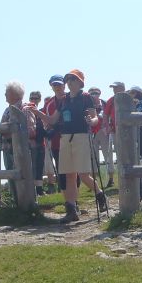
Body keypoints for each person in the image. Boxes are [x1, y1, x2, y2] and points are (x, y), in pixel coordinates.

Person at [37, 69, 107, 221]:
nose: (69, 83)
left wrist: (91, 121)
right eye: (68, 80)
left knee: (82, 174)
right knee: (69, 175)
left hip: (82, 136)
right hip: (65, 138)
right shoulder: (64, 99)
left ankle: (100, 195)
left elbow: (95, 118)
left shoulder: (86, 97)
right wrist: (37, 113)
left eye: (73, 80)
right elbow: (53, 120)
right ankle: (71, 211)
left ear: (80, 82)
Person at [0, 81, 32, 201]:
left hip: (19, 148)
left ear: (14, 93)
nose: (5, 94)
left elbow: (29, 128)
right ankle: (16, 201)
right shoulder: (8, 109)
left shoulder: (24, 108)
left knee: (22, 174)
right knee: (11, 174)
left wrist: (9, 132)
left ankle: (25, 201)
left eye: (7, 92)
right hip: (8, 147)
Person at [103, 81, 126, 186]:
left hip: (127, 132)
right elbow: (105, 115)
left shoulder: (128, 99)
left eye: (116, 87)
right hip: (114, 131)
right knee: (114, 154)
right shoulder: (110, 101)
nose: (114, 90)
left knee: (126, 154)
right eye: (113, 88)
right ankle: (114, 178)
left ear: (122, 88)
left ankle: (126, 176)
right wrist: (107, 127)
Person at [88, 86, 111, 184]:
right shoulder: (87, 104)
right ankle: (95, 180)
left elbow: (109, 115)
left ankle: (111, 178)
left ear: (99, 94)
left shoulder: (105, 103)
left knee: (108, 154)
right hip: (91, 132)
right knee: (94, 156)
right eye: (92, 93)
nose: (94, 95)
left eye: (96, 93)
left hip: (103, 131)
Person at [26, 90, 47, 195]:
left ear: (39, 100)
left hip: (41, 143)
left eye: (36, 98)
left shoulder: (39, 112)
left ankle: (39, 189)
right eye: (32, 98)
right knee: (33, 166)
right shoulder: (27, 111)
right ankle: (34, 190)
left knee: (39, 166)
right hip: (32, 144)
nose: (33, 100)